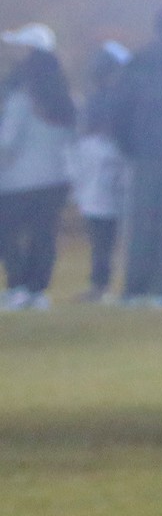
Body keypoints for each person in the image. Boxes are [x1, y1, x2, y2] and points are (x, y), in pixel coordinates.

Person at [117, 6, 162, 305]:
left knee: (141, 222)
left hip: (144, 152)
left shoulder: (139, 61)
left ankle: (135, 287)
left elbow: (121, 107)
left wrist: (128, 146)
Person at [0, 23, 76, 309]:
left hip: (17, 180)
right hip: (55, 177)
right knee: (43, 236)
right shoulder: (62, 95)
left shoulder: (22, 94)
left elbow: (7, 140)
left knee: (7, 234)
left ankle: (18, 286)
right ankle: (37, 290)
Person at [69, 40, 132, 301]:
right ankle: (101, 282)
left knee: (102, 228)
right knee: (105, 228)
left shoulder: (104, 98)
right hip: (107, 163)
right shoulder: (113, 97)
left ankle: (101, 283)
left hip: (102, 164)